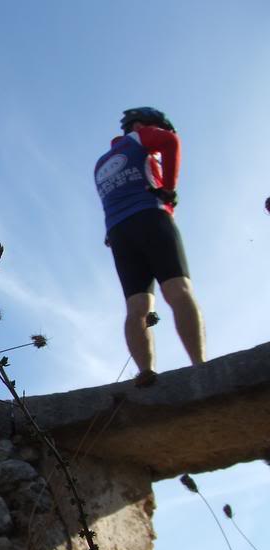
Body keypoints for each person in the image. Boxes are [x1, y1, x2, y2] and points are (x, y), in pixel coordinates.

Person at [94, 107, 205, 387]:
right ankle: (200, 366)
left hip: (118, 232)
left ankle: (146, 372)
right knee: (178, 289)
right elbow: (170, 142)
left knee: (137, 305)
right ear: (142, 124)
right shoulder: (140, 139)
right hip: (150, 217)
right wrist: (168, 188)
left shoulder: (101, 163)